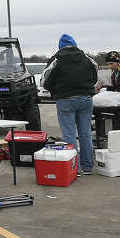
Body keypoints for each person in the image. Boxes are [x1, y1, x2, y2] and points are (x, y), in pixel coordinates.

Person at [41, 33, 99, 175]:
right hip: (85, 99)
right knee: (85, 133)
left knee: (69, 135)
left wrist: (55, 90)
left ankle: (74, 168)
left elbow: (44, 81)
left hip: (65, 100)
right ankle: (87, 167)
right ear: (75, 44)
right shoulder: (87, 59)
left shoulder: (56, 59)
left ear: (60, 46)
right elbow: (95, 76)